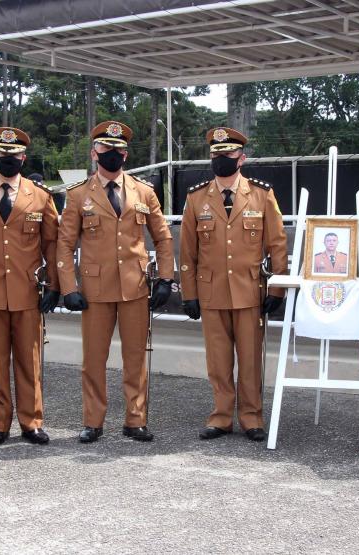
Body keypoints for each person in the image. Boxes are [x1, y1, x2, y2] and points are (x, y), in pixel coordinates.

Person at [56, 120, 174, 443]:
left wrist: (166, 278)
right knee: (94, 360)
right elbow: (65, 244)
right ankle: (93, 421)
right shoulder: (79, 195)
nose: (112, 154)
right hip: (95, 291)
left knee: (135, 358)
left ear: (126, 153)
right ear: (95, 152)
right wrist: (69, 287)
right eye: (106, 148)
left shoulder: (144, 192)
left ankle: (135, 420)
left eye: (118, 149)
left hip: (136, 288)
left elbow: (163, 238)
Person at [178, 127, 288, 442]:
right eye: (216, 154)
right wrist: (189, 293)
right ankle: (221, 417)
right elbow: (187, 251)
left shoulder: (261, 193)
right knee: (218, 360)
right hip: (211, 292)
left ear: (242, 158)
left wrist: (276, 289)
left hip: (250, 292)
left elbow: (277, 244)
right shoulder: (196, 197)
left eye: (227, 154)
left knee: (251, 360)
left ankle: (252, 418)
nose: (220, 159)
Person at [0, 128, 59, 447]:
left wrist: (54, 284)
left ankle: (31, 421)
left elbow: (51, 243)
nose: (8, 160)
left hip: (27, 291)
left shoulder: (40, 195)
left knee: (28, 359)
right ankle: (0, 422)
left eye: (15, 156)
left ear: (23, 158)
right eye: (3, 155)